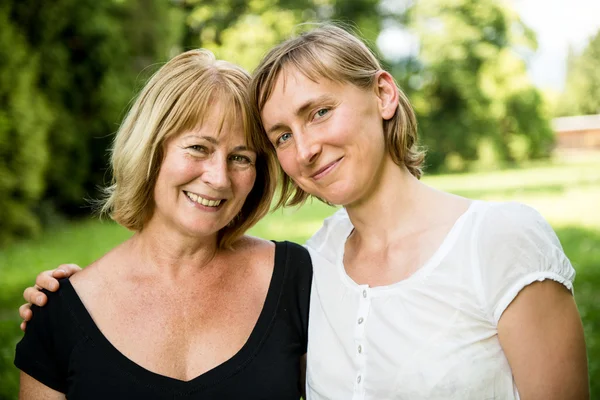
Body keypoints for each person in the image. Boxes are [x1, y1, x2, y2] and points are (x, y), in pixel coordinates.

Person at [20, 24, 589, 399]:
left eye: (319, 112)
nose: (306, 148)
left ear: (385, 96)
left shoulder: (496, 240)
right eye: (282, 135)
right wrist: (68, 302)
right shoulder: (319, 264)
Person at [14, 48, 312, 399]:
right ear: (151, 150)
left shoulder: (296, 279)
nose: (219, 178)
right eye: (199, 148)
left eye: (240, 157)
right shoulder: (62, 311)